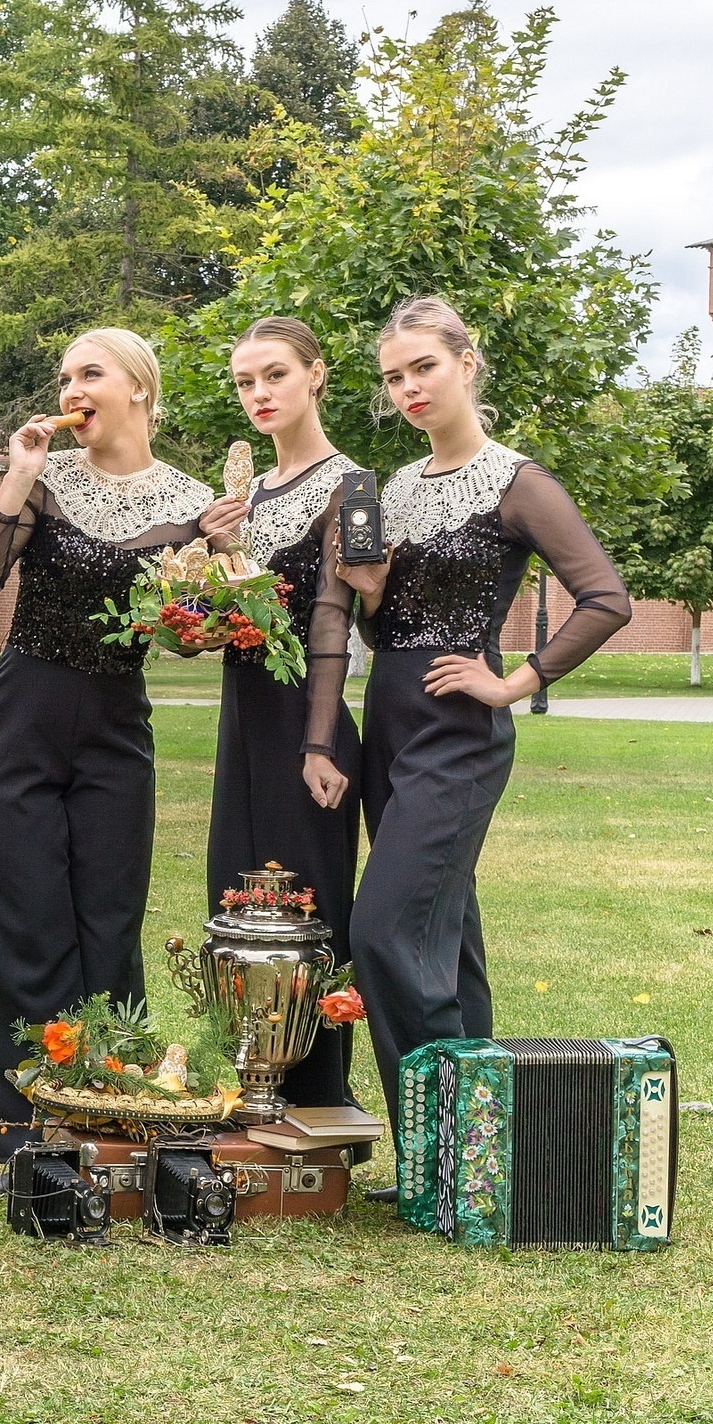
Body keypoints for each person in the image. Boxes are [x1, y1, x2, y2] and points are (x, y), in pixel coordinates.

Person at [315, 296, 630, 1116]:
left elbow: (605, 598)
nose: (409, 387)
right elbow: (386, 627)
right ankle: (473, 1149)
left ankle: (441, 1142)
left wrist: (515, 682)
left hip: (459, 731)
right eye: (394, 377)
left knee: (383, 930)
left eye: (424, 367)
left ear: (466, 362)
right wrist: (374, 590)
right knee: (445, 941)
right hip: (390, 720)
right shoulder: (397, 487)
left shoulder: (518, 482)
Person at [0, 328, 215, 1172]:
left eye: (89, 372)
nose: (71, 387)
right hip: (24, 709)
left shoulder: (191, 499)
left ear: (138, 387)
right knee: (25, 917)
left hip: (116, 722)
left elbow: (192, 639)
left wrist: (205, 597)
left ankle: (110, 1108)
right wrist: (17, 476)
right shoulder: (47, 479)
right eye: (65, 374)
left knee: (110, 918)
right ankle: (26, 1134)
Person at [190, 316, 363, 1109]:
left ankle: (319, 1101)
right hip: (244, 724)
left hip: (306, 725)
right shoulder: (247, 493)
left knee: (308, 918)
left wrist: (320, 743)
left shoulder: (348, 484)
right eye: (245, 382)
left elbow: (331, 620)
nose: (258, 393)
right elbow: (225, 620)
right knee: (238, 908)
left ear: (316, 375)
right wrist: (197, 599)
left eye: (275, 376)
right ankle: (250, 1091)